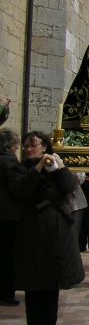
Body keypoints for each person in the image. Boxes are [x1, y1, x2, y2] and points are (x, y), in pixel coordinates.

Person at [8, 131, 84, 324]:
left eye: (34, 145)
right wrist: (39, 166)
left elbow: (68, 188)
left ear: (44, 147)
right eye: (26, 146)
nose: (29, 149)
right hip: (31, 234)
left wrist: (60, 168)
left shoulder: (54, 167)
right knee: (34, 290)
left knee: (52, 287)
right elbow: (21, 189)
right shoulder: (19, 169)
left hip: (54, 234)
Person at [0, 128, 20, 306]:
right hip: (9, 216)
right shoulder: (10, 162)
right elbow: (18, 188)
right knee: (9, 256)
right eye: (16, 145)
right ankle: (6, 293)